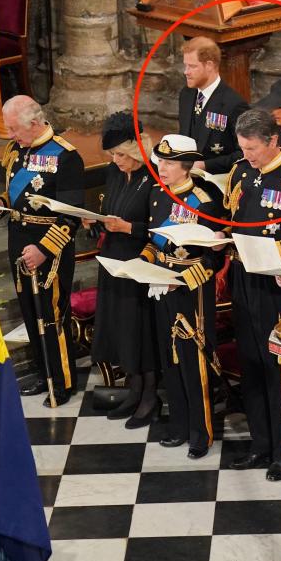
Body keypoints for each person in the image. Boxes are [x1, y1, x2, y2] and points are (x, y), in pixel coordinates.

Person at [0, 95, 85, 406]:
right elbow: (17, 194)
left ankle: (63, 381)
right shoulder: (16, 149)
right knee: (30, 313)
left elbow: (72, 217)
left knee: (51, 315)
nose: (10, 135)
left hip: (49, 248)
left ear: (33, 123)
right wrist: (1, 204)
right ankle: (44, 373)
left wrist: (44, 249)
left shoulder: (66, 157)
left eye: (14, 129)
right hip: (17, 240)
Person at [140, 135, 223, 459]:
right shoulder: (157, 193)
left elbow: (214, 259)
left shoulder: (204, 200)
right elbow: (152, 243)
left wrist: (181, 280)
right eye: (160, 162)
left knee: (193, 361)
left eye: (169, 163)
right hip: (159, 286)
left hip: (192, 292)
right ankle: (178, 425)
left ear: (186, 166)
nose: (162, 168)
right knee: (169, 359)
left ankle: (200, 433)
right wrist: (142, 264)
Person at [224, 110, 281, 481]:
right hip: (242, 276)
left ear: (272, 141)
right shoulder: (240, 172)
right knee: (250, 362)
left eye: (253, 148)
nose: (248, 154)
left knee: (274, 366)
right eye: (243, 148)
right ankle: (260, 444)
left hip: (274, 282)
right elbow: (231, 217)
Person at [89, 112, 158, 426]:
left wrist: (129, 227)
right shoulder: (114, 173)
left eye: (121, 154)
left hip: (140, 262)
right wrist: (93, 222)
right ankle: (133, 390)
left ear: (136, 150)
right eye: (112, 154)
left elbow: (161, 228)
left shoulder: (155, 176)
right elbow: (107, 211)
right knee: (120, 328)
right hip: (112, 260)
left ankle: (149, 395)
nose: (116, 160)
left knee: (138, 330)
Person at [177, 37, 250, 174]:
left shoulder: (234, 104)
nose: (186, 71)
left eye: (192, 66)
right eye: (185, 65)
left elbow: (244, 154)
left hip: (216, 181)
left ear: (209, 65)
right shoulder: (186, 95)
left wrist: (205, 165)